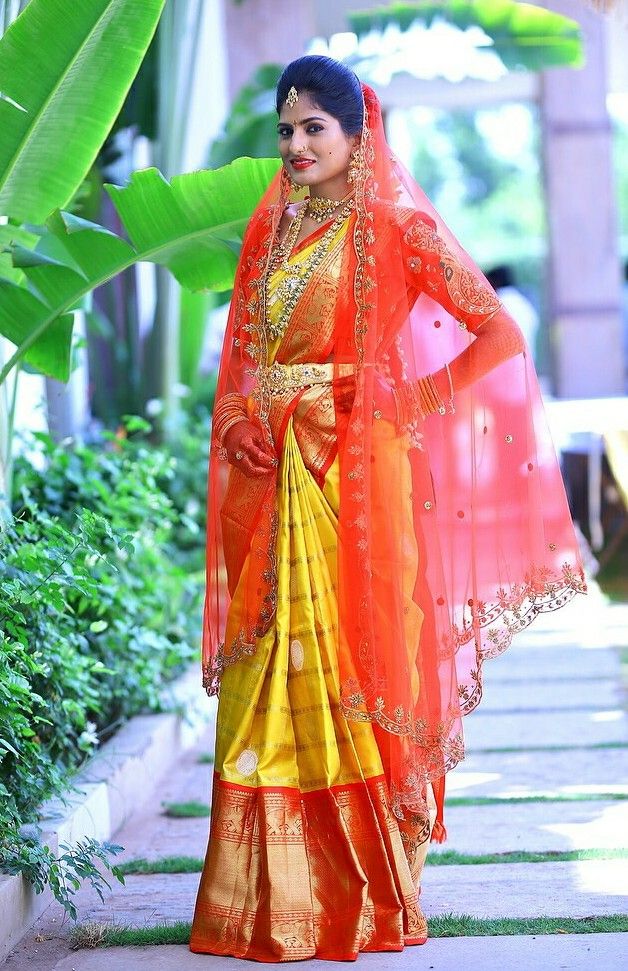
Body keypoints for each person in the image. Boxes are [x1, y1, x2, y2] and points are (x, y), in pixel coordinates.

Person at [190, 55, 586, 962]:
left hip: (358, 480)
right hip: (278, 476)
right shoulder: (275, 231)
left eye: (312, 128)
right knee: (267, 674)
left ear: (355, 132)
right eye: (284, 130)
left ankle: (366, 891)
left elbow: (498, 330)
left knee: (360, 670)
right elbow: (247, 355)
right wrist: (244, 418)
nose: (294, 144)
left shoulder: (394, 227)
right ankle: (268, 900)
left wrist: (410, 400)